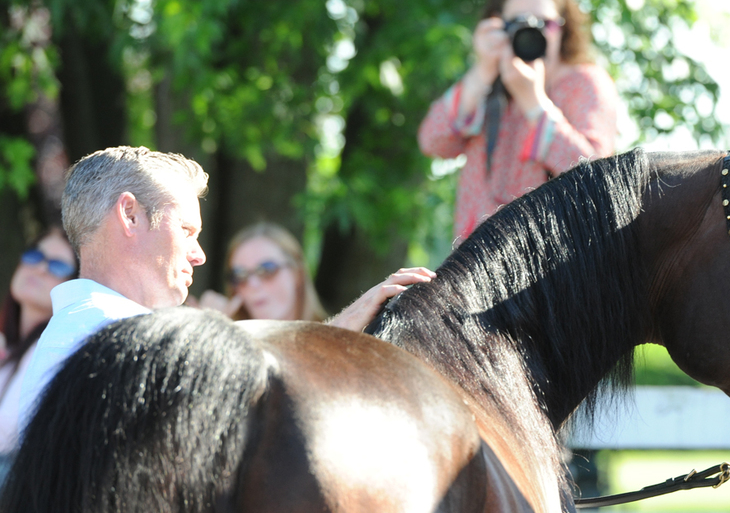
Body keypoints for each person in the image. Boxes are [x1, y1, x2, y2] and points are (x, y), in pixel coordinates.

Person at [17, 146, 434, 430]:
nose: (199, 255)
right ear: (129, 214)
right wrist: (339, 330)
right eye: (185, 230)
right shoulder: (108, 341)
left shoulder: (79, 335)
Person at [418, 0, 618, 242]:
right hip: (474, 264)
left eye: (543, 23)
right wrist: (482, 72)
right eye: (518, 23)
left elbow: (597, 180)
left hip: (548, 266)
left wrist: (535, 103)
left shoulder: (584, 83)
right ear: (499, 26)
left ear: (562, 28)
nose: (530, 32)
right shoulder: (488, 85)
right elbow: (433, 142)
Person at [0, 228, 77, 484]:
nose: (40, 268)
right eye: (34, 256)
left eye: (57, 265)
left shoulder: (58, 351)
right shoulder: (8, 348)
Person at [198, 222, 328, 322]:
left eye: (267, 270)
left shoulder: (339, 338)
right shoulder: (229, 346)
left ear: (297, 274)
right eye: (240, 276)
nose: (253, 284)